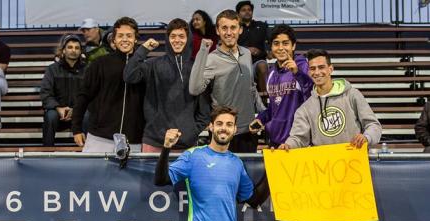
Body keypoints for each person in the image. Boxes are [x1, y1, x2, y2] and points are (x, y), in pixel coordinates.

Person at [123, 18, 208, 152]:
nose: (177, 40)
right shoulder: (153, 64)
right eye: (172, 36)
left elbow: (204, 107)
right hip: (154, 141)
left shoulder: (196, 68)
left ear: (188, 39)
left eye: (181, 36)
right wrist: (143, 50)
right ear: (168, 39)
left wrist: (192, 131)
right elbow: (129, 76)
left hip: (186, 144)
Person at [190, 9, 262, 153]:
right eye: (224, 28)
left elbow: (252, 88)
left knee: (245, 175)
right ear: (217, 30)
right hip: (223, 132)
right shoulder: (211, 59)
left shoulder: (246, 53)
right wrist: (203, 51)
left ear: (240, 30)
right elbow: (194, 89)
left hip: (248, 131)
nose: (229, 32)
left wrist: (263, 114)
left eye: (233, 27)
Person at [71, 17, 145, 153]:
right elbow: (83, 96)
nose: (125, 39)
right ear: (114, 40)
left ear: (135, 39)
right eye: (120, 36)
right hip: (99, 138)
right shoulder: (99, 64)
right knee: (91, 175)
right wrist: (76, 128)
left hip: (134, 140)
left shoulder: (144, 66)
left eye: (129, 36)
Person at [282, 49, 381, 149]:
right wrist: (287, 146)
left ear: (330, 69)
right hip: (324, 163)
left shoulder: (352, 95)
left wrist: (366, 137)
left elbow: (373, 125)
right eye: (312, 68)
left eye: (321, 67)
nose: (317, 72)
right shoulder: (305, 109)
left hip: (353, 161)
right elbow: (298, 138)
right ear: (308, 72)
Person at [249, 24, 312, 147]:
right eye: (276, 43)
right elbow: (274, 108)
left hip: (297, 142)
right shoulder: (271, 72)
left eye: (285, 43)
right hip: (275, 142)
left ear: (293, 46)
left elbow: (312, 94)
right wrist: (261, 119)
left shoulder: (303, 66)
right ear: (271, 47)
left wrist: (297, 73)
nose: (281, 48)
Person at [40, 34, 87, 147]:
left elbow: (91, 95)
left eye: (77, 48)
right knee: (50, 116)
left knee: (88, 115)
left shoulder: (87, 70)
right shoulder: (52, 69)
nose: (73, 50)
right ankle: (47, 151)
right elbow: (45, 93)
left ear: (81, 51)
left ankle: (88, 151)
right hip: (58, 113)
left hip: (79, 113)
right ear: (63, 51)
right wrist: (58, 108)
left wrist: (76, 109)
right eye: (70, 47)